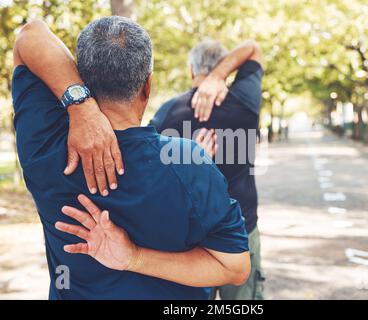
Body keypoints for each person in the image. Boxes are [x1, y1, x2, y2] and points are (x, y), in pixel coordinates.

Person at [12, 16, 250, 300]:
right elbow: (233, 267)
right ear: (147, 85)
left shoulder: (44, 144)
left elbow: (30, 34)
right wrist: (134, 259)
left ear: (82, 77)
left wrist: (80, 106)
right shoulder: (189, 162)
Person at [151, 39, 265, 300]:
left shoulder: (168, 113)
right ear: (226, 68)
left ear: (192, 70)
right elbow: (253, 48)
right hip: (241, 230)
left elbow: (151, 176)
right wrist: (219, 76)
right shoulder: (244, 101)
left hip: (188, 237)